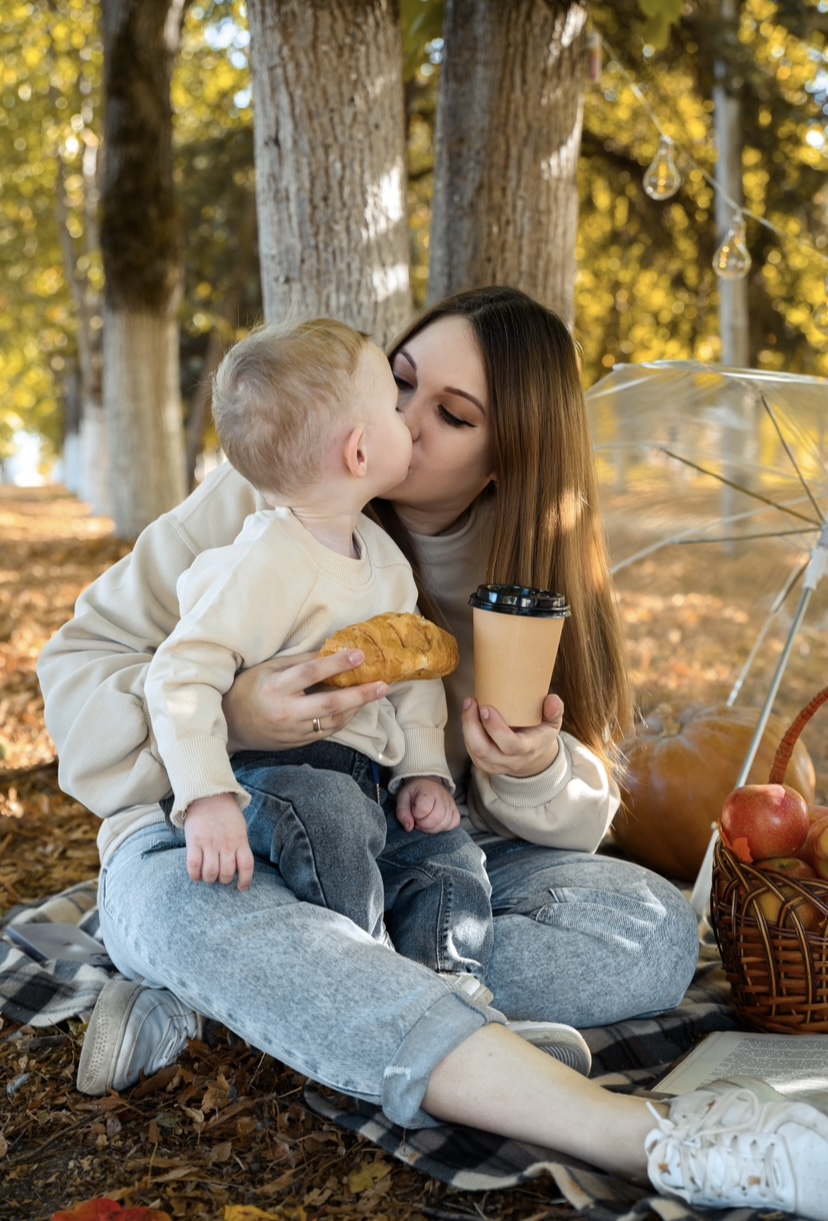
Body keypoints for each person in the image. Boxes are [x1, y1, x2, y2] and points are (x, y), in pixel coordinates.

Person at [36, 286, 828, 1220]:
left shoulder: (530, 568)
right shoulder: (262, 499)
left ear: (506, 462)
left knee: (649, 933)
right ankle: (640, 1132)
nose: (396, 422)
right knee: (175, 904)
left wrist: (529, 764)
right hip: (221, 834)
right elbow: (79, 664)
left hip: (412, 847)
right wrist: (238, 717)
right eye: (400, 381)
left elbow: (586, 803)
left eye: (450, 416)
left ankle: (241, 997)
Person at [145, 316, 494, 988]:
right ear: (361, 453)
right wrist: (207, 797)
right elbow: (180, 673)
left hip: (369, 781)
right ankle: (366, 987)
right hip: (270, 778)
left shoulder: (383, 557)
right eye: (396, 405)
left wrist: (422, 772)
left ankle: (449, 981)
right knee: (329, 813)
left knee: (449, 853)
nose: (410, 424)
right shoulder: (260, 561)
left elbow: (413, 675)